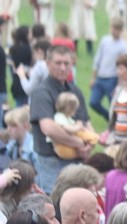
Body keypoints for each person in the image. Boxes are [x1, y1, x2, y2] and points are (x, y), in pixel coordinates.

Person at [29, 45, 92, 194]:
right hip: (52, 162)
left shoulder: (75, 91)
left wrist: (89, 144)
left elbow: (86, 123)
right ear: (47, 63)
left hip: (77, 161)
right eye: (58, 63)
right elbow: (49, 128)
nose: (63, 68)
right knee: (55, 207)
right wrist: (78, 143)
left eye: (66, 63)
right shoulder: (41, 92)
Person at [89, 18, 127, 122]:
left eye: (117, 29)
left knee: (113, 104)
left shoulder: (123, 47)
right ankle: (108, 116)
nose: (114, 31)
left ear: (120, 30)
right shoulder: (105, 40)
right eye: (112, 28)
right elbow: (98, 59)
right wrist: (93, 77)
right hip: (100, 77)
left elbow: (123, 66)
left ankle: (116, 121)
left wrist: (121, 82)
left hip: (112, 78)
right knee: (93, 102)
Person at [49, 92, 100, 160]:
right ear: (68, 108)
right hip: (61, 146)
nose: (75, 112)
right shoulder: (59, 117)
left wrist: (82, 129)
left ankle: (91, 142)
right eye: (74, 109)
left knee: (90, 136)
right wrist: (78, 127)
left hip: (69, 142)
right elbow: (67, 128)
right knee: (88, 137)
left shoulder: (67, 117)